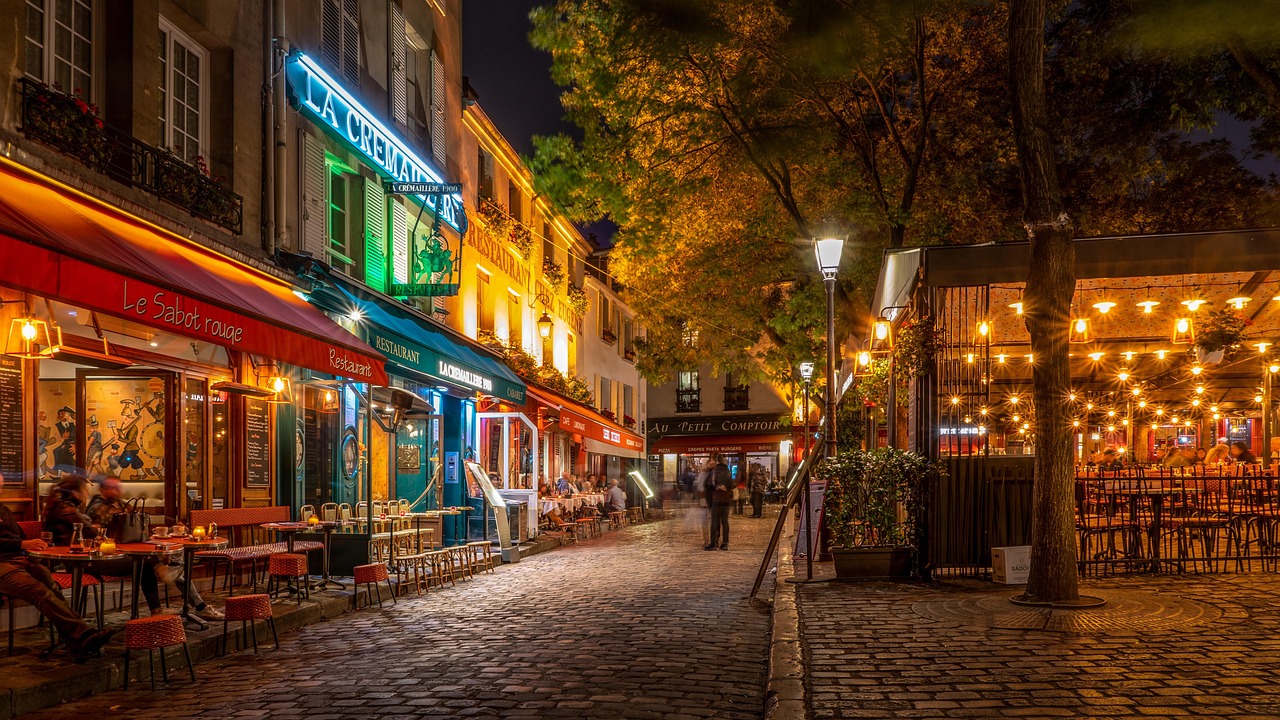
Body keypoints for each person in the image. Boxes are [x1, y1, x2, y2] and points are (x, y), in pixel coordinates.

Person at [88, 478, 223, 621]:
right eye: (113, 488)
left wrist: (171, 522)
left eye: (118, 487)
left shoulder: (117, 503)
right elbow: (121, 518)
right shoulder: (98, 507)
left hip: (128, 549)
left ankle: (178, 581)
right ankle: (172, 580)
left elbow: (139, 517)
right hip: (110, 555)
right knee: (149, 562)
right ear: (103, 490)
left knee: (167, 555)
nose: (117, 491)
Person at [0, 500, 115, 662]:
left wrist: (31, 549)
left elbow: (18, 536)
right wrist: (22, 544)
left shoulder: (3, 509)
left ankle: (76, 640)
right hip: (2, 565)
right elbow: (19, 541)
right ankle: (82, 634)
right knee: (39, 592)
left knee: (52, 587)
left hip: (20, 559)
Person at [44, 474, 166, 617]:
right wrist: (94, 529)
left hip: (84, 558)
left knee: (142, 560)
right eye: (84, 490)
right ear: (75, 492)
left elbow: (89, 530)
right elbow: (91, 531)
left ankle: (157, 603)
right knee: (143, 564)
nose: (87, 494)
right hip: (81, 561)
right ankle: (156, 608)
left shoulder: (64, 507)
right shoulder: (67, 509)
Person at [705, 454, 733, 551]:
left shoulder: (714, 471)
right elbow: (731, 484)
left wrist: (717, 487)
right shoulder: (728, 471)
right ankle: (725, 543)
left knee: (714, 521)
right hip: (726, 499)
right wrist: (726, 488)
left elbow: (709, 484)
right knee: (725, 521)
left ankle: (713, 543)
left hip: (716, 499)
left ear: (717, 461)